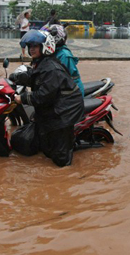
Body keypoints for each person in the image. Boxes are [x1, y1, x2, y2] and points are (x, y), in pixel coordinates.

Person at [13, 30, 84, 167]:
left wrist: (22, 98)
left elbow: (42, 96)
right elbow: (35, 78)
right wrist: (16, 78)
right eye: (30, 46)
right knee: (46, 147)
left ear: (45, 47)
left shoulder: (51, 68)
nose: (32, 49)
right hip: (54, 109)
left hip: (64, 112)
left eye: (35, 46)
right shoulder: (40, 63)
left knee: (60, 157)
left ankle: (64, 181)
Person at [48, 24, 85, 97]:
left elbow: (61, 77)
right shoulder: (54, 52)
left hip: (73, 93)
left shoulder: (64, 55)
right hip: (66, 89)